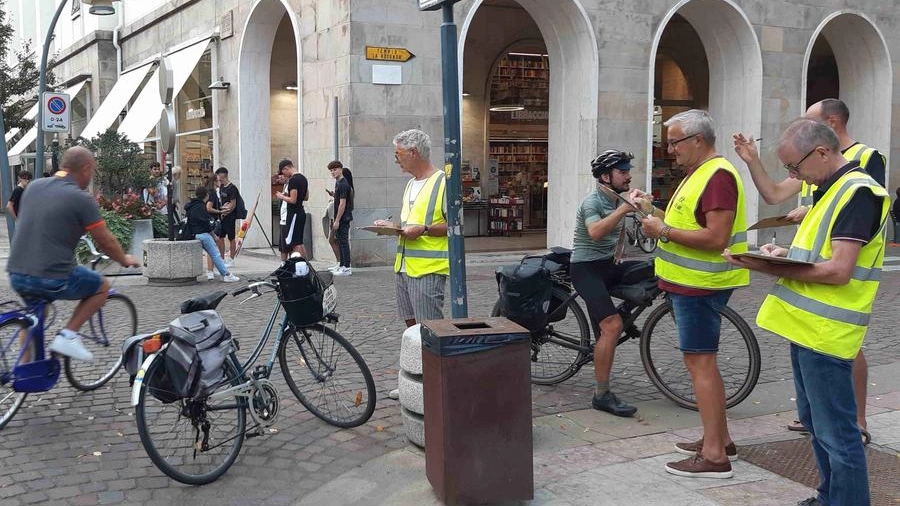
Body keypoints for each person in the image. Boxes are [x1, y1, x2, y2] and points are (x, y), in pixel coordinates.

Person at [724, 118, 887, 506]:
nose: (795, 176)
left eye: (795, 167)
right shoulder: (831, 191)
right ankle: (829, 496)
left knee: (837, 433)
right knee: (818, 426)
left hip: (827, 333)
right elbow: (821, 256)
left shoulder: (858, 192)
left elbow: (838, 271)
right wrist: (784, 255)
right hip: (809, 329)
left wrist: (762, 266)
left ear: (822, 152)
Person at [641, 109, 749, 478]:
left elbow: (715, 237)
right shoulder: (699, 174)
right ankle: (718, 438)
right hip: (691, 283)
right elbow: (687, 224)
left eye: (674, 141)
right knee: (703, 364)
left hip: (700, 286)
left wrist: (663, 231)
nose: (670, 149)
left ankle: (715, 456)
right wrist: (651, 212)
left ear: (698, 140)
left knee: (701, 365)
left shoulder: (717, 176)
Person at [6, 147, 140, 361]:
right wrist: (124, 259)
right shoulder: (80, 198)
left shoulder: (34, 186)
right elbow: (104, 240)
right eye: (92, 171)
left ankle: (24, 371)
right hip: (51, 275)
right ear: (86, 168)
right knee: (101, 286)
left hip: (17, 271)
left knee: (34, 315)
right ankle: (68, 335)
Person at [571, 150, 652, 417]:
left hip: (610, 266)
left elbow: (655, 219)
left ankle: (624, 313)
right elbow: (595, 232)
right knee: (612, 326)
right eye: (623, 172)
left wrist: (649, 209)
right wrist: (624, 209)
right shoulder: (592, 202)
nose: (628, 176)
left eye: (628, 171)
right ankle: (601, 394)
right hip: (586, 269)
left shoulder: (620, 199)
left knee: (656, 269)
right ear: (606, 177)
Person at [375, 130, 448, 400]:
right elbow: (409, 225)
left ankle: (435, 386)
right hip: (404, 265)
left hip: (428, 269)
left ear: (414, 152)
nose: (397, 160)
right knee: (412, 331)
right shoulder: (410, 184)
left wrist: (426, 228)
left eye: (398, 155)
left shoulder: (442, 182)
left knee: (430, 329)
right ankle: (416, 381)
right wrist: (392, 227)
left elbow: (453, 226)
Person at [185, 186, 239, 283]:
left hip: (193, 234)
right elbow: (205, 224)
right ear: (206, 196)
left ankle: (214, 272)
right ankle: (226, 275)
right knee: (215, 254)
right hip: (203, 234)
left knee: (213, 254)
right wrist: (213, 235)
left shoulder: (191, 206)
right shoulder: (201, 207)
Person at [274, 159, 309, 260]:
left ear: (287, 168)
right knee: (299, 242)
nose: (283, 174)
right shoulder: (303, 178)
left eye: (283, 172)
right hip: (300, 212)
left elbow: (293, 200)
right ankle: (306, 265)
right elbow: (306, 197)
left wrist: (281, 196)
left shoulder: (293, 180)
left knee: (294, 243)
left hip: (294, 214)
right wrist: (287, 195)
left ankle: (300, 265)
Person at [330, 162, 354, 275]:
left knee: (343, 241)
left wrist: (337, 220)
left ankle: (347, 267)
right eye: (331, 170)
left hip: (344, 218)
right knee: (340, 241)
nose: (333, 172)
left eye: (335, 169)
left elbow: (342, 204)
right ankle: (342, 265)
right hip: (341, 217)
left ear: (340, 169)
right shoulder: (338, 183)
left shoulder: (343, 184)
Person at [215, 167, 241, 265]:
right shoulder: (221, 187)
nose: (218, 177)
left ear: (223, 175)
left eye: (218, 175)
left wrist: (225, 212)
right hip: (222, 216)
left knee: (231, 238)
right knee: (221, 237)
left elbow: (233, 204)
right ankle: (222, 258)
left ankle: (231, 259)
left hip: (230, 216)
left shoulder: (232, 188)